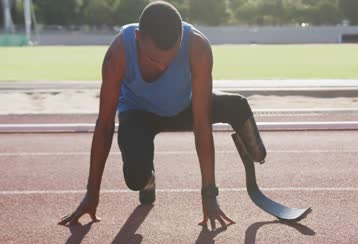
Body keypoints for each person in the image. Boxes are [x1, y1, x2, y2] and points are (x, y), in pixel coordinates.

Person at [58, 1, 266, 230]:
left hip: (183, 107)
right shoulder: (118, 53)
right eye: (154, 59)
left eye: (171, 58)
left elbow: (201, 123)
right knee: (135, 178)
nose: (162, 67)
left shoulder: (197, 46)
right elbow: (105, 124)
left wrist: (209, 193)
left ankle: (256, 152)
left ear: (180, 39)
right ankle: (148, 178)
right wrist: (91, 193)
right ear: (138, 37)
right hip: (140, 114)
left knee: (236, 106)